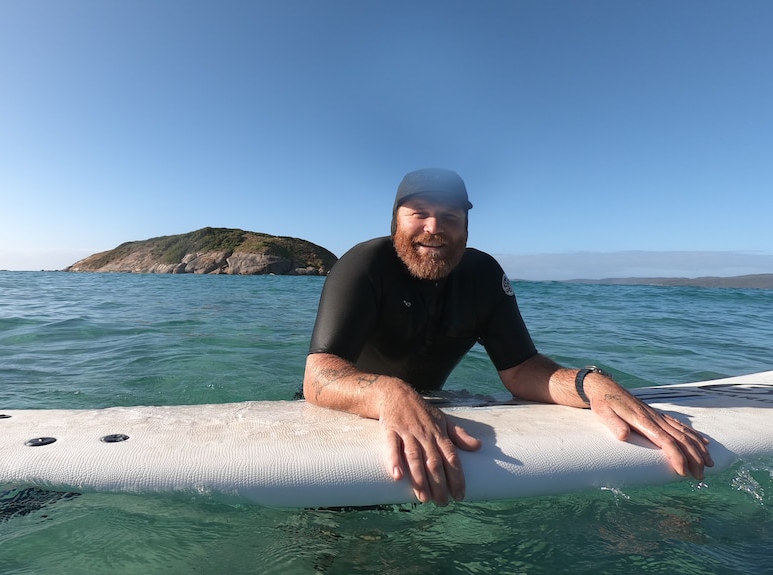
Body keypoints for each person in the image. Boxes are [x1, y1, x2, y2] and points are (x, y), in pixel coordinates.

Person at [302, 167, 714, 506]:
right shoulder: (365, 266)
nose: (434, 228)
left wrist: (591, 384)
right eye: (419, 214)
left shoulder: (482, 276)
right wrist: (389, 394)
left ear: (466, 227)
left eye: (450, 217)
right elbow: (318, 376)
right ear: (395, 220)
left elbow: (522, 370)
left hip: (433, 409)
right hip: (347, 413)